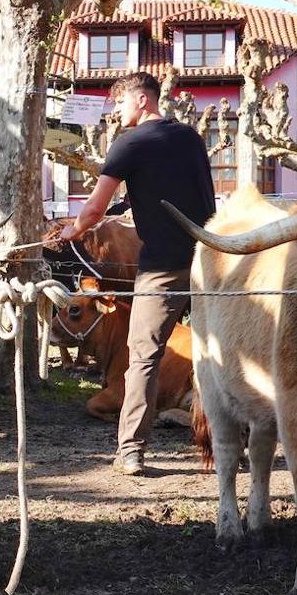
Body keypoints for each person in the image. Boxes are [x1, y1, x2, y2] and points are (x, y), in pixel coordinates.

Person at [60, 72, 215, 476]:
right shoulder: (193, 138)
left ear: (142, 100)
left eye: (120, 103)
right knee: (224, 351)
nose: (115, 112)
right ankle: (239, 441)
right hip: (211, 260)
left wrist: (72, 231)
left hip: (163, 265)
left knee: (143, 356)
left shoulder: (130, 142)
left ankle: (131, 450)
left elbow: (94, 209)